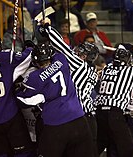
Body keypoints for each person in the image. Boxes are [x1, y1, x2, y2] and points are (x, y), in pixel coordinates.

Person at [16, 42, 94, 157]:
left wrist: (17, 90)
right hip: (79, 120)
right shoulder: (61, 60)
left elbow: (23, 101)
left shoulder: (34, 77)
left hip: (56, 125)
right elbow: (59, 48)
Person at [39, 19, 100, 157]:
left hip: (79, 118)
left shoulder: (79, 64)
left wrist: (48, 27)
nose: (77, 51)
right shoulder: (91, 70)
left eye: (81, 52)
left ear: (85, 56)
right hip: (88, 118)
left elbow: (62, 47)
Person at [94, 43, 133, 157]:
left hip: (98, 112)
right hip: (114, 113)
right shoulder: (129, 71)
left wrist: (132, 50)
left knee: (100, 144)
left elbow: (121, 47)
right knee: (128, 148)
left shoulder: (107, 68)